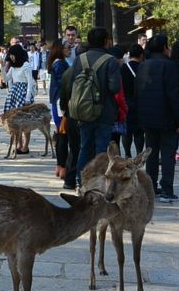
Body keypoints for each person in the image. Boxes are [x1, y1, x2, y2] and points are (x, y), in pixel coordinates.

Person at [63, 26, 121, 185]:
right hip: (104, 110)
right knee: (102, 149)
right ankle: (99, 181)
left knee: (85, 146)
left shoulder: (79, 59)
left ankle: (80, 180)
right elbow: (115, 87)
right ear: (105, 41)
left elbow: (70, 84)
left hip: (82, 110)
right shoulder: (110, 61)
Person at [135, 33, 179, 203]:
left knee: (151, 152)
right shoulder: (170, 66)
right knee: (167, 153)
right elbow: (174, 96)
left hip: (147, 117)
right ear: (165, 47)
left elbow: (138, 93)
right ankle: (166, 189)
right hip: (166, 117)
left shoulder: (142, 66)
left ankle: (150, 187)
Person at [48, 39, 71, 178]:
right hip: (61, 104)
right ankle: (62, 167)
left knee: (60, 134)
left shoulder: (57, 63)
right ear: (60, 49)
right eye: (68, 47)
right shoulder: (60, 64)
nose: (70, 49)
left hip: (56, 103)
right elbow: (64, 85)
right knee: (63, 136)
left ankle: (60, 166)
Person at [121, 43, 145, 158]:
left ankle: (127, 154)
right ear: (141, 55)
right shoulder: (143, 67)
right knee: (139, 131)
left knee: (127, 131)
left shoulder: (123, 68)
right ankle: (139, 154)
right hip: (140, 103)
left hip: (126, 102)